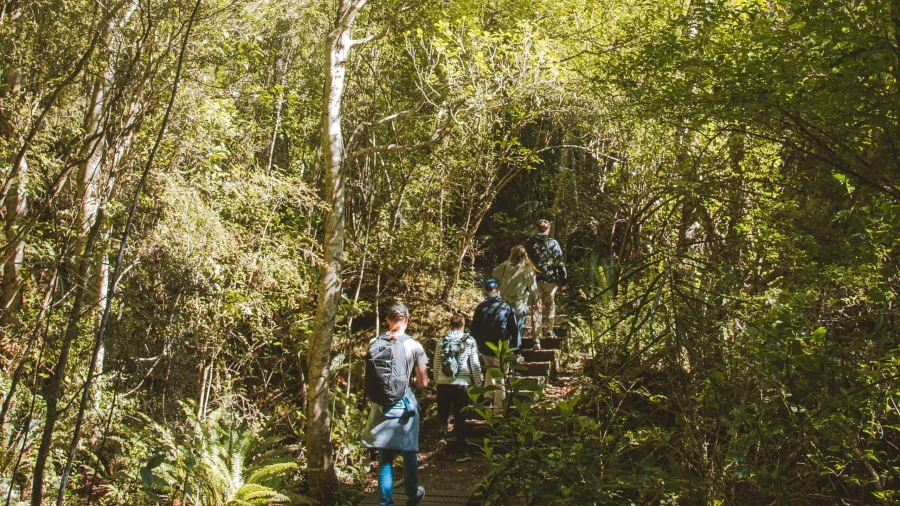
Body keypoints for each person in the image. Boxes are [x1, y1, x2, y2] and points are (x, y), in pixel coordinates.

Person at [362, 303, 428, 506]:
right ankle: (412, 494)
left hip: (381, 405)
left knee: (385, 457)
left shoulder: (375, 342)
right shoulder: (414, 346)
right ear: (407, 320)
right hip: (405, 405)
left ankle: (385, 503)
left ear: (388, 320)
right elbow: (423, 382)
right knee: (409, 453)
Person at [433, 313, 482, 462]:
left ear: (450, 325)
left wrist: (437, 381)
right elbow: (474, 363)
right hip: (461, 382)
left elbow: (436, 362)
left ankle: (442, 439)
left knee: (443, 414)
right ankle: (461, 450)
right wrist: (478, 384)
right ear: (463, 325)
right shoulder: (469, 340)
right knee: (460, 416)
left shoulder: (442, 340)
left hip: (443, 383)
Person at [470, 278, 519, 413]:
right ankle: (498, 409)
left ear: (485, 291)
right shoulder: (505, 306)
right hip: (501, 347)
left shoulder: (481, 307)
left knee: (489, 371)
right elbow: (514, 328)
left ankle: (487, 398)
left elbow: (474, 329)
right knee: (500, 377)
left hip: (485, 347)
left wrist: (476, 345)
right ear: (498, 289)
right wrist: (517, 346)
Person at [525, 219, 568, 348]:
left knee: (536, 308)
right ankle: (549, 330)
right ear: (548, 229)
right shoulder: (553, 243)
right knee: (549, 305)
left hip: (535, 279)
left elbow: (526, 260)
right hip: (550, 279)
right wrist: (564, 280)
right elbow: (559, 262)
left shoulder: (530, 242)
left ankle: (536, 338)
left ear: (537, 229)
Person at [492, 245, 539, 335]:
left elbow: (494, 273)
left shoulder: (504, 266)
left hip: (504, 304)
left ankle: (506, 348)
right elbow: (533, 289)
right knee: (517, 332)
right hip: (519, 306)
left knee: (505, 331)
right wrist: (537, 302)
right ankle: (516, 348)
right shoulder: (527, 270)